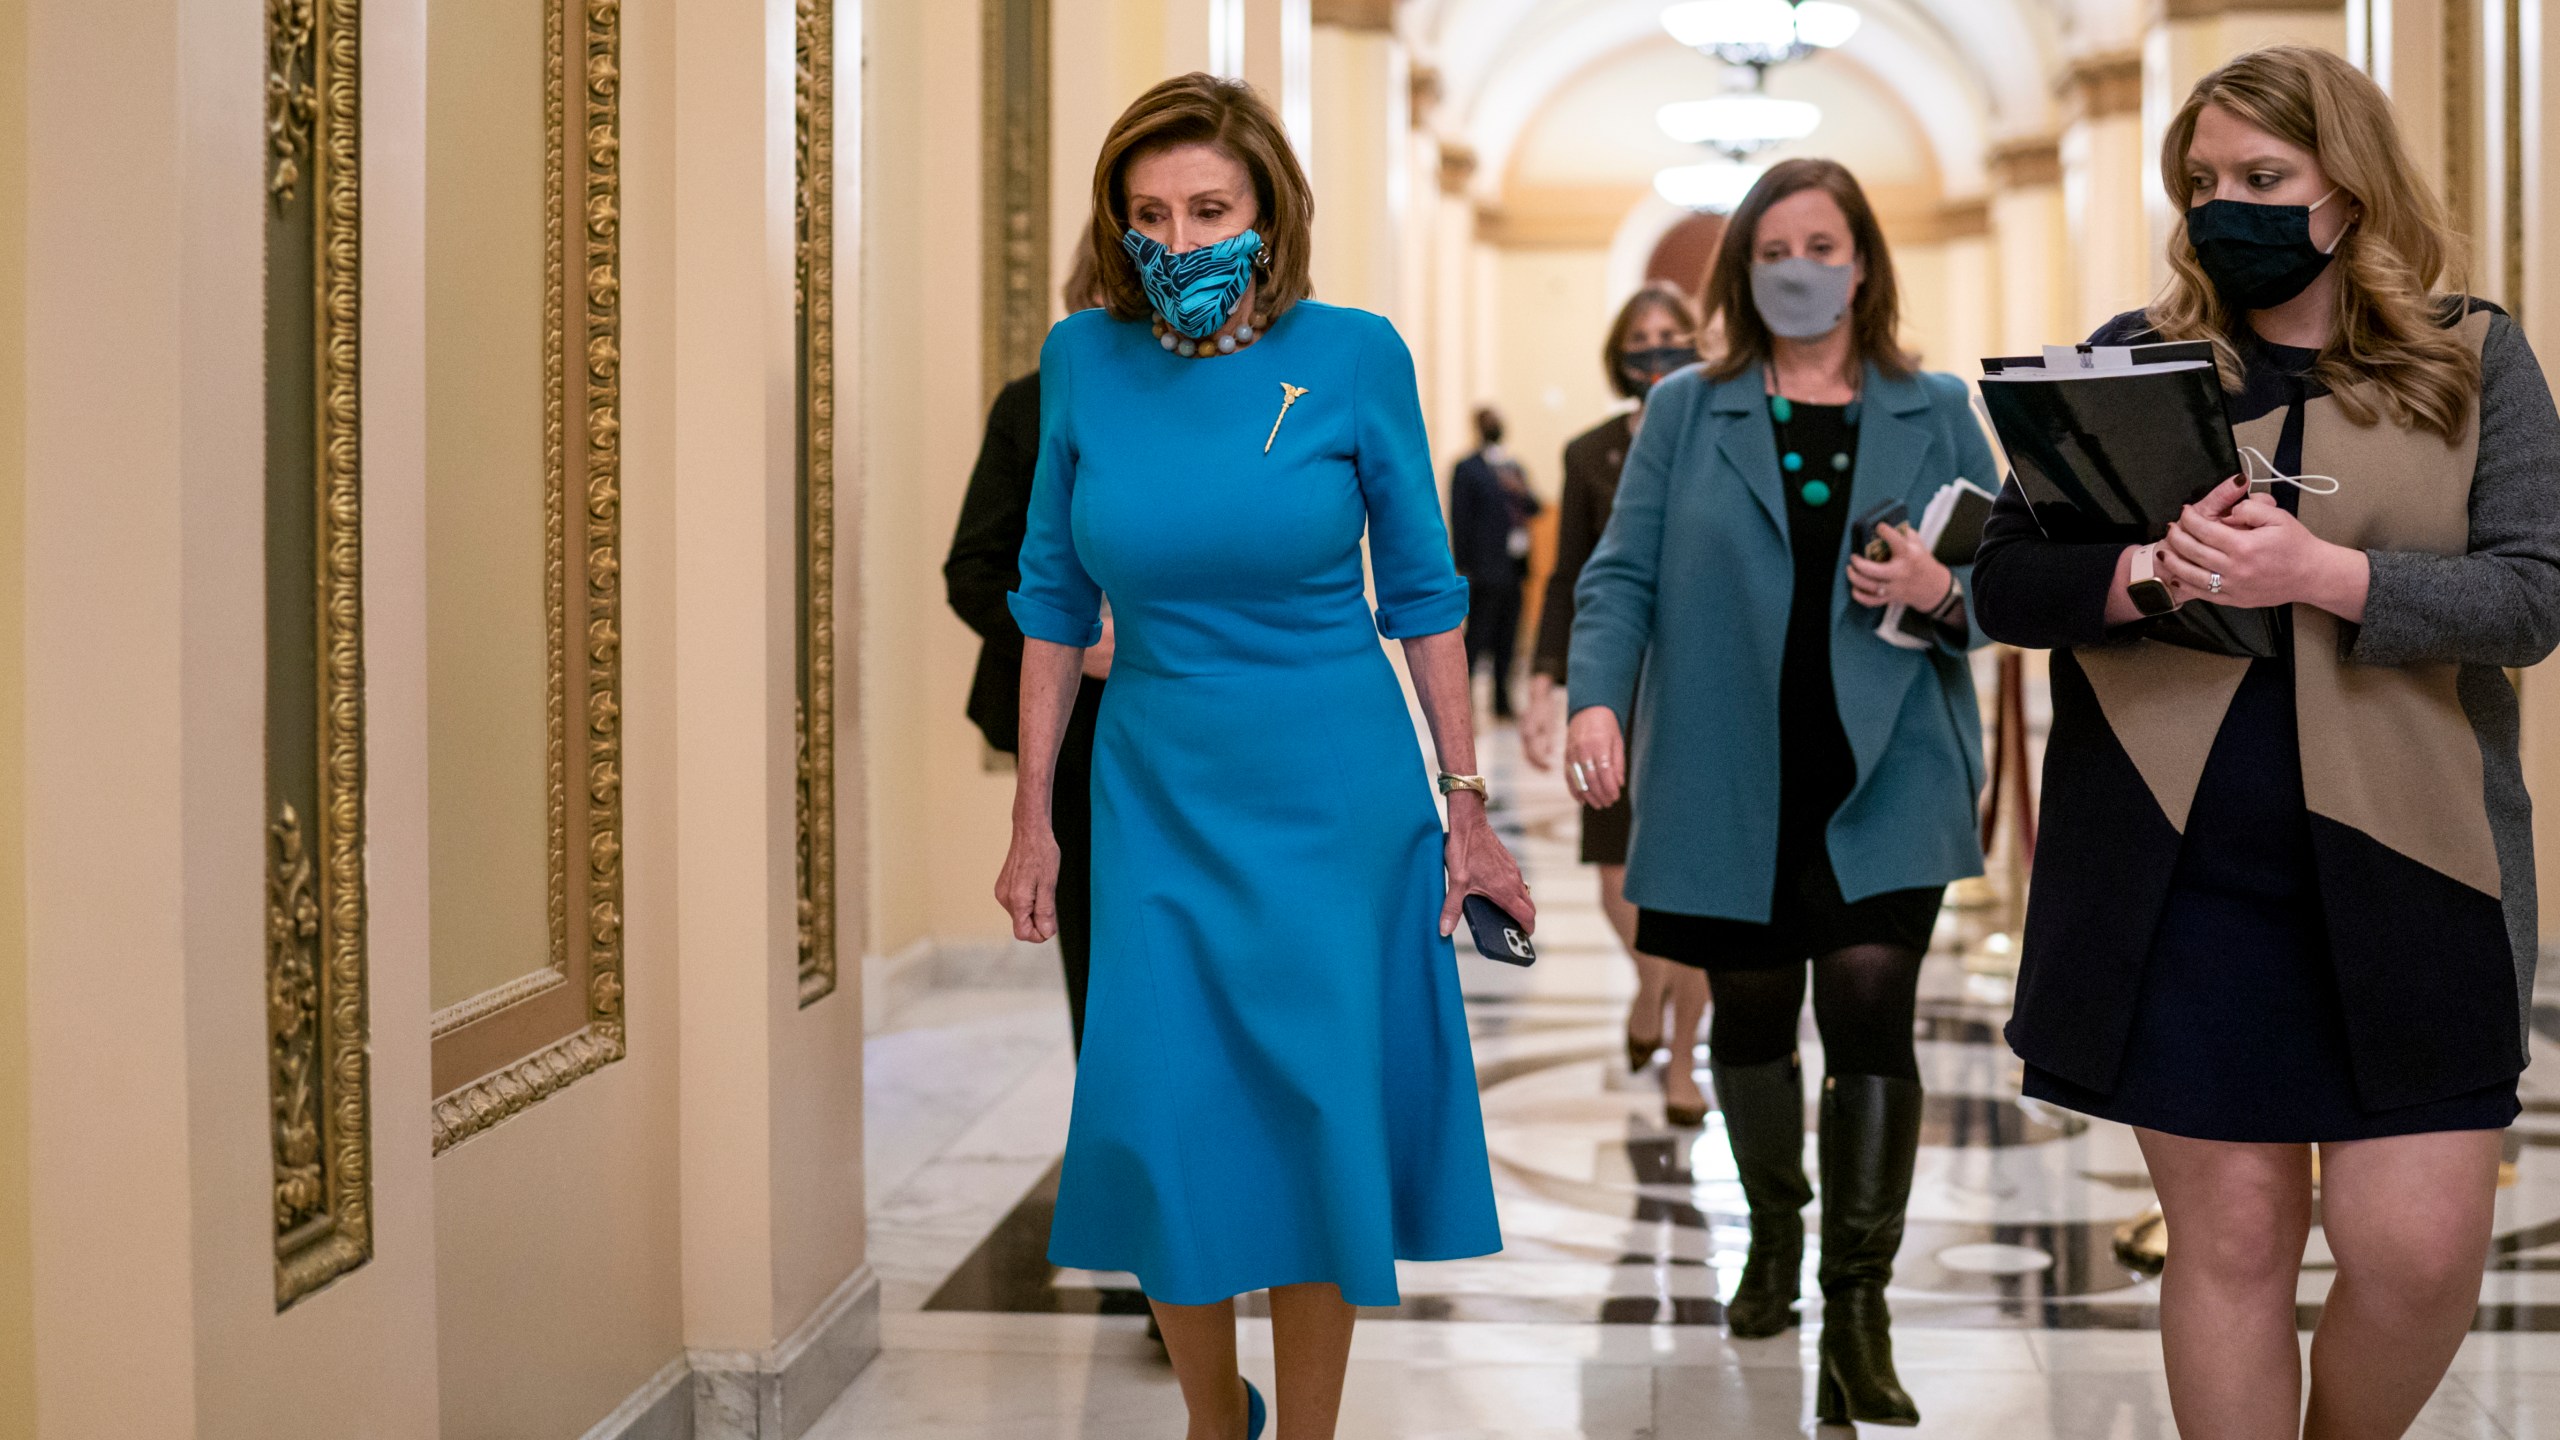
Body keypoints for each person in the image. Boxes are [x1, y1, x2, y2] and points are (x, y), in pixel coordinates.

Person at [1972, 46, 2560, 1439]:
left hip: (2415, 867)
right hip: (2177, 877)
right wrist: (2144, 576)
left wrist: (2326, 574)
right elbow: (2004, 580)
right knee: (2230, 1246)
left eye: (2262, 178)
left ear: (2347, 189)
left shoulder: (2474, 355)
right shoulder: (2127, 362)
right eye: (2201, 182)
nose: (2223, 205)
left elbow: (2535, 595)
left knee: (2417, 1255)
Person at [994, 73, 1532, 1440]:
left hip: (1335, 791)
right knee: (1165, 1111)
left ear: (1268, 210)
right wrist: (1034, 816)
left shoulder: (1352, 355)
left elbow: (1423, 593)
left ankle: (1305, 1430)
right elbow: (1051, 599)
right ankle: (1206, 1420)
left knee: (1311, 1112)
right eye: (1151, 215)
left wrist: (1466, 805)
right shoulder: (1081, 361)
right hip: (1157, 788)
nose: (1180, 240)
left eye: (1210, 209)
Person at [1564, 158, 1993, 1425]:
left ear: (1863, 259)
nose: (1798, 267)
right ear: (1744, 272)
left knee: (1871, 1022)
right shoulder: (1689, 410)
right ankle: (1772, 1240)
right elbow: (1619, 574)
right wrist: (1594, 695)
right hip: (1719, 771)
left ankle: (1859, 1309)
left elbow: (2002, 590)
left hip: (1887, 770)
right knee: (1750, 1021)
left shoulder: (1939, 408)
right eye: (1772, 249)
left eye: (1822, 243)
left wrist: (1939, 593)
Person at [1520, 282, 1713, 1126]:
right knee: (1615, 879)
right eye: (1644, 335)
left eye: (1675, 333)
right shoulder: (1590, 450)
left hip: (1706, 678)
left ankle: (1681, 1061)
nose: (1659, 347)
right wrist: (1543, 678)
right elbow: (1569, 574)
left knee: (1701, 880)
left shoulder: (1720, 432)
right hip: (1616, 679)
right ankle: (1651, 991)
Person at [945, 236, 1109, 1054]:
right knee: (1095, 947)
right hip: (1078, 731)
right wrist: (1084, 645)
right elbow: (973, 570)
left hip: (1191, 715)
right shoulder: (1031, 403)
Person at [1448, 407, 1541, 718]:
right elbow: (1460, 518)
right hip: (1483, 569)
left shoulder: (1512, 466)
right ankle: (1465, 701)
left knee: (1508, 636)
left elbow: (1534, 506)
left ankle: (1503, 701)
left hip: (1513, 566)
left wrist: (1520, 487)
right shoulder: (1467, 468)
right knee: (1477, 636)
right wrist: (1465, 567)